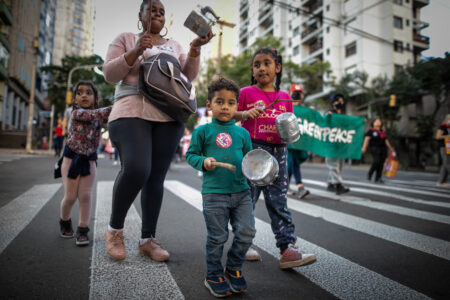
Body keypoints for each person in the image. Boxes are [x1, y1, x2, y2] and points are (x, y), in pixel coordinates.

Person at [102, 0, 213, 261]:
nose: (158, 14)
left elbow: (187, 76)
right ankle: (114, 230)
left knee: (156, 177)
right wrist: (135, 52)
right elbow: (109, 73)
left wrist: (195, 49)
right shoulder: (127, 38)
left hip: (169, 115)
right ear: (140, 15)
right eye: (152, 10)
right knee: (138, 168)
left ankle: (147, 239)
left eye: (162, 12)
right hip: (131, 110)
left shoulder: (174, 45)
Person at [234, 48, 316, 268]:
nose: (262, 68)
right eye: (257, 64)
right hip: (252, 152)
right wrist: (244, 114)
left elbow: (290, 129)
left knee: (278, 201)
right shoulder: (245, 93)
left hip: (279, 153)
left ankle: (287, 248)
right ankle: (242, 244)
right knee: (247, 200)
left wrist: (290, 134)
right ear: (252, 70)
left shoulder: (285, 98)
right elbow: (231, 113)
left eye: (267, 63)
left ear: (277, 68)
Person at [186, 77, 255, 297]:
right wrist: (203, 162)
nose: (225, 106)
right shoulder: (202, 131)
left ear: (237, 106)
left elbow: (250, 161)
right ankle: (213, 273)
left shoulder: (243, 134)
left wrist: (258, 171)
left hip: (242, 191)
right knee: (217, 237)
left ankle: (233, 268)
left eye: (231, 103)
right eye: (220, 101)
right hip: (214, 193)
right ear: (209, 105)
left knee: (247, 232)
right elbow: (191, 155)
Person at [57, 81, 112, 246]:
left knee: (86, 196)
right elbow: (94, 115)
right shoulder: (76, 113)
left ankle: (83, 229)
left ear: (95, 98)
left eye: (88, 92)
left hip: (89, 160)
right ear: (74, 100)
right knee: (71, 197)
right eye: (79, 93)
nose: (84, 95)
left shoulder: (99, 115)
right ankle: (65, 221)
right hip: (71, 159)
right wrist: (119, 105)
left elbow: (113, 119)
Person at [287, 84, 310, 199]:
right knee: (293, 162)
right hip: (289, 142)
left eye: (299, 92)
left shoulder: (305, 111)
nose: (297, 95)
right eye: (295, 92)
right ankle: (300, 187)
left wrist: (311, 113)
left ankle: (285, 186)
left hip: (300, 142)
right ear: (289, 93)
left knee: (292, 163)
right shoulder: (285, 105)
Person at [325, 94, 350, 195]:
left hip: (341, 144)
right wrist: (328, 117)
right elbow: (323, 122)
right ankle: (338, 185)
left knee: (340, 165)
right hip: (331, 145)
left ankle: (331, 184)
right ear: (333, 103)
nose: (340, 103)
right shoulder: (329, 113)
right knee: (333, 165)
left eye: (341, 101)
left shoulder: (343, 115)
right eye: (338, 101)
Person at [361, 118, 395, 183]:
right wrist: (364, 148)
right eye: (376, 121)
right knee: (376, 161)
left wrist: (390, 148)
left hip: (383, 149)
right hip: (374, 148)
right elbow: (366, 140)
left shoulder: (382, 132)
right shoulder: (370, 131)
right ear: (373, 123)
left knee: (381, 164)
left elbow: (386, 140)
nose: (378, 122)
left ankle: (378, 178)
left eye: (379, 121)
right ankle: (370, 174)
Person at [436, 114, 450, 187]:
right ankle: (441, 182)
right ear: (446, 119)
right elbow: (438, 137)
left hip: (449, 147)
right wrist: (447, 136)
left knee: (445, 165)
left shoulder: (449, 127)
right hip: (443, 147)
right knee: (447, 163)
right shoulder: (443, 127)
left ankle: (441, 182)